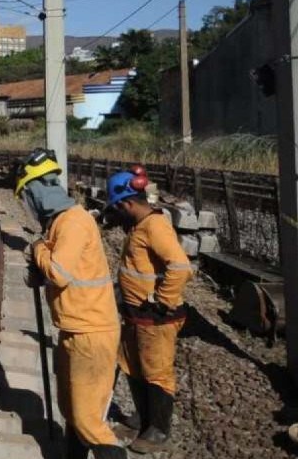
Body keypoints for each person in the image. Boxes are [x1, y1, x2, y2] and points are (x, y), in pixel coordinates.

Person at [18, 148, 125, 459]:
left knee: (88, 420)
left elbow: (60, 273)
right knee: (70, 409)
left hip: (91, 332)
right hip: (73, 327)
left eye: (27, 197)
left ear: (38, 192)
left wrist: (38, 249)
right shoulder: (59, 224)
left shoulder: (73, 223)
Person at [105, 170, 192, 453]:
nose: (116, 215)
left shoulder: (154, 226)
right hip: (136, 314)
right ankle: (142, 418)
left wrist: (162, 302)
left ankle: (158, 430)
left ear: (128, 203)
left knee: (156, 371)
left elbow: (180, 267)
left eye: (117, 208)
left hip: (155, 317)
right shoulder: (139, 225)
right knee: (131, 364)